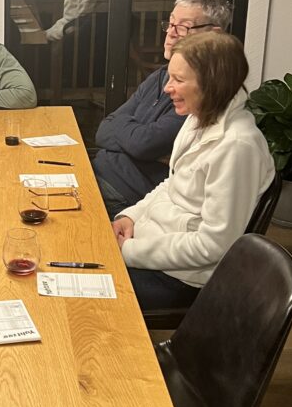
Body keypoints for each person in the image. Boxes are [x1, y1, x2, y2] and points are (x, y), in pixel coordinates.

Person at [112, 33, 274, 310]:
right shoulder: (198, 118)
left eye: (178, 80)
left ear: (212, 83)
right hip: (151, 247)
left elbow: (214, 245)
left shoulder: (237, 147)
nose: (167, 88)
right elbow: (172, 183)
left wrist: (129, 252)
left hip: (180, 279)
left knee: (78, 288)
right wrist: (131, 215)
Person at [93, 0, 233, 217]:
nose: (171, 33)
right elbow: (104, 129)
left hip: (130, 198)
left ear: (213, 34)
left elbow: (144, 144)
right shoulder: (160, 75)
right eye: (170, 23)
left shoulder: (202, 93)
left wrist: (130, 135)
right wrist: (134, 138)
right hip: (100, 174)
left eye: (184, 27)